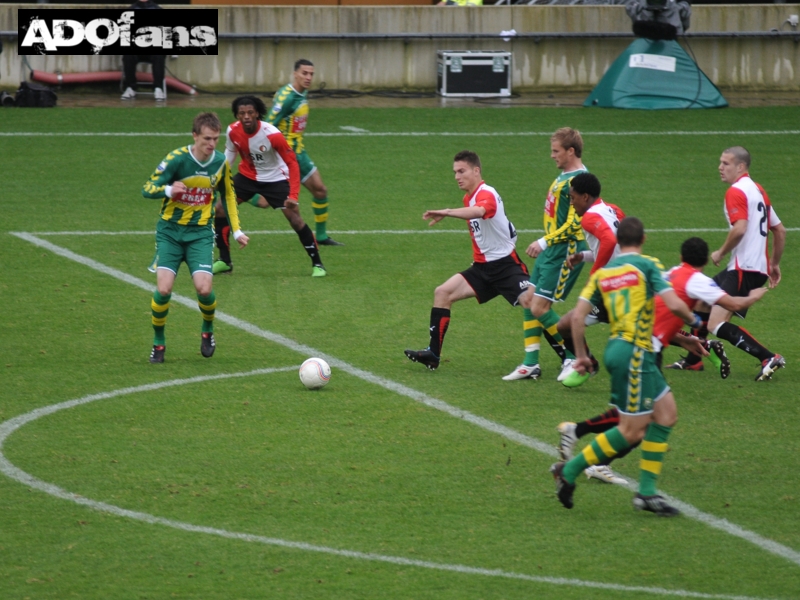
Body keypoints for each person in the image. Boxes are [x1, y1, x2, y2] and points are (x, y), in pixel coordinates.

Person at [556, 236, 768, 486]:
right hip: (641, 351)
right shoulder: (692, 278)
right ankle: (588, 462)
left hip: (633, 345)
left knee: (647, 414)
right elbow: (725, 304)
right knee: (638, 422)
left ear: (681, 256)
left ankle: (595, 452)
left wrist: (683, 338)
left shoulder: (669, 273)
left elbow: (659, 314)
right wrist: (754, 295)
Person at [550, 217, 702, 517]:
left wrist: (581, 356)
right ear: (643, 239)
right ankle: (569, 470)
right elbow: (673, 304)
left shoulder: (604, 273)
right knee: (632, 430)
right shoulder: (648, 265)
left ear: (618, 242)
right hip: (635, 351)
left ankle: (646, 493)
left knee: (666, 414)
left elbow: (577, 318)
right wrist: (695, 322)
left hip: (620, 349)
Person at [666, 146, 786, 381]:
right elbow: (779, 230)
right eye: (720, 162)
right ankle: (694, 360)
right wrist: (774, 264)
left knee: (716, 322)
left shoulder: (736, 191)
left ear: (741, 167)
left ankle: (768, 357)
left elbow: (740, 228)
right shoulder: (759, 191)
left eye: (726, 163)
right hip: (752, 267)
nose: (720, 167)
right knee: (701, 300)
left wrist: (721, 251)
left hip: (744, 268)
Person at [404, 150, 530, 371]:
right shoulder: (468, 197)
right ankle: (433, 355)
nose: (457, 176)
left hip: (505, 266)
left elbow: (481, 211)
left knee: (535, 306)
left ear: (476, 171)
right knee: (443, 292)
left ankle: (571, 355)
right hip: (483, 268)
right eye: (455, 172)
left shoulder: (487, 193)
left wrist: (448, 211)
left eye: (461, 171)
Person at [142, 112, 249, 364]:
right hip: (170, 232)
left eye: (215, 139)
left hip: (200, 234)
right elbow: (147, 188)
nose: (211, 144)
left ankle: (208, 330)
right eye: (207, 139)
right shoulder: (176, 159)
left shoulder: (221, 162)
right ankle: (158, 343)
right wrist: (168, 189)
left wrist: (237, 230)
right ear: (194, 136)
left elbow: (229, 196)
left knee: (204, 289)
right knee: (164, 289)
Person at [503, 127, 590, 382]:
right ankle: (531, 363)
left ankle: (573, 357)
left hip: (565, 249)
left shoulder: (579, 180)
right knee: (529, 300)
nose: (552, 156)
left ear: (570, 151)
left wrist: (544, 241)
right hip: (552, 249)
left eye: (556, 151)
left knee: (541, 307)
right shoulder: (565, 175)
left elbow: (576, 224)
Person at [212, 95, 326, 278]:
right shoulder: (233, 131)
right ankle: (225, 261)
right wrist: (217, 179)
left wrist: (294, 196)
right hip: (247, 177)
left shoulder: (271, 134)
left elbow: (292, 163)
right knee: (220, 209)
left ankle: (318, 264)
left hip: (276, 179)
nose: (246, 116)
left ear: (257, 113)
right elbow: (229, 155)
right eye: (242, 113)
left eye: (250, 112)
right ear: (237, 115)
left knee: (295, 219)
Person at [267, 59, 342, 247]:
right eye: (304, 73)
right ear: (295, 74)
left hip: (299, 153)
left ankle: (322, 236)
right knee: (267, 200)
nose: (308, 77)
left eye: (311, 74)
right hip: (284, 155)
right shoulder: (287, 98)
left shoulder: (302, 93)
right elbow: (267, 126)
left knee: (320, 190)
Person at [121, 0, 166, 101]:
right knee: (128, 55)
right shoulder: (131, 9)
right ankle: (130, 88)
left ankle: (158, 88)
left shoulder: (157, 9)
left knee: (159, 55)